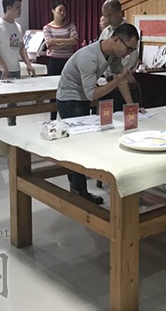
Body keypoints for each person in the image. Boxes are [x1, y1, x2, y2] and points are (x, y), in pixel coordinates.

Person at [56, 23, 140, 204]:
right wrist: (116, 80)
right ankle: (79, 191)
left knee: (81, 142)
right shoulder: (89, 57)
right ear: (116, 40)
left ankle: (77, 188)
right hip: (69, 99)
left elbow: (121, 79)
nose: (129, 54)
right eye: (129, 49)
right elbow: (92, 94)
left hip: (82, 98)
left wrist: (131, 106)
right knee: (77, 145)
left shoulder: (113, 54)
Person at [0, 0, 36, 141]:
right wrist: (3, 67)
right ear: (8, 8)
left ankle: (12, 131)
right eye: (17, 7)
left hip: (15, 70)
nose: (20, 10)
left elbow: (21, 48)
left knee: (12, 104)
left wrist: (28, 64)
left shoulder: (17, 26)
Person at [98, 0, 140, 110]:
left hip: (124, 83)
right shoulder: (105, 32)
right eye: (105, 16)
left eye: (110, 15)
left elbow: (129, 60)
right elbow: (101, 56)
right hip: (107, 83)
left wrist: (117, 74)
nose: (107, 19)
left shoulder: (129, 32)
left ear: (119, 13)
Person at [43, 0, 78, 119]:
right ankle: (52, 117)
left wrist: (56, 41)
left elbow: (74, 41)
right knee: (53, 89)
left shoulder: (70, 25)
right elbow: (49, 44)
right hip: (54, 61)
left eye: (64, 11)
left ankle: (67, 115)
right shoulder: (47, 27)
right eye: (60, 10)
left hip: (68, 61)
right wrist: (66, 42)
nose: (62, 13)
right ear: (53, 11)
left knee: (69, 88)